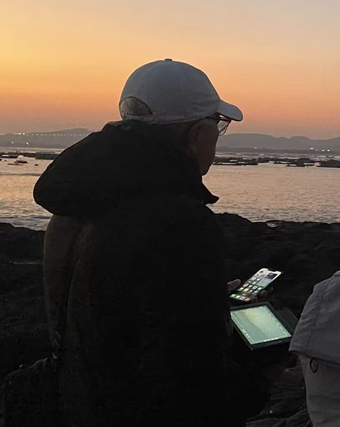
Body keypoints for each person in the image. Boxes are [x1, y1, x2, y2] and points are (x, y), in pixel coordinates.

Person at [33, 59, 274, 427]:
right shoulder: (181, 223)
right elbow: (192, 380)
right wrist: (261, 379)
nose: (218, 135)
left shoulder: (76, 206)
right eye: (218, 123)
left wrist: (203, 299)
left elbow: (113, 316)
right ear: (196, 135)